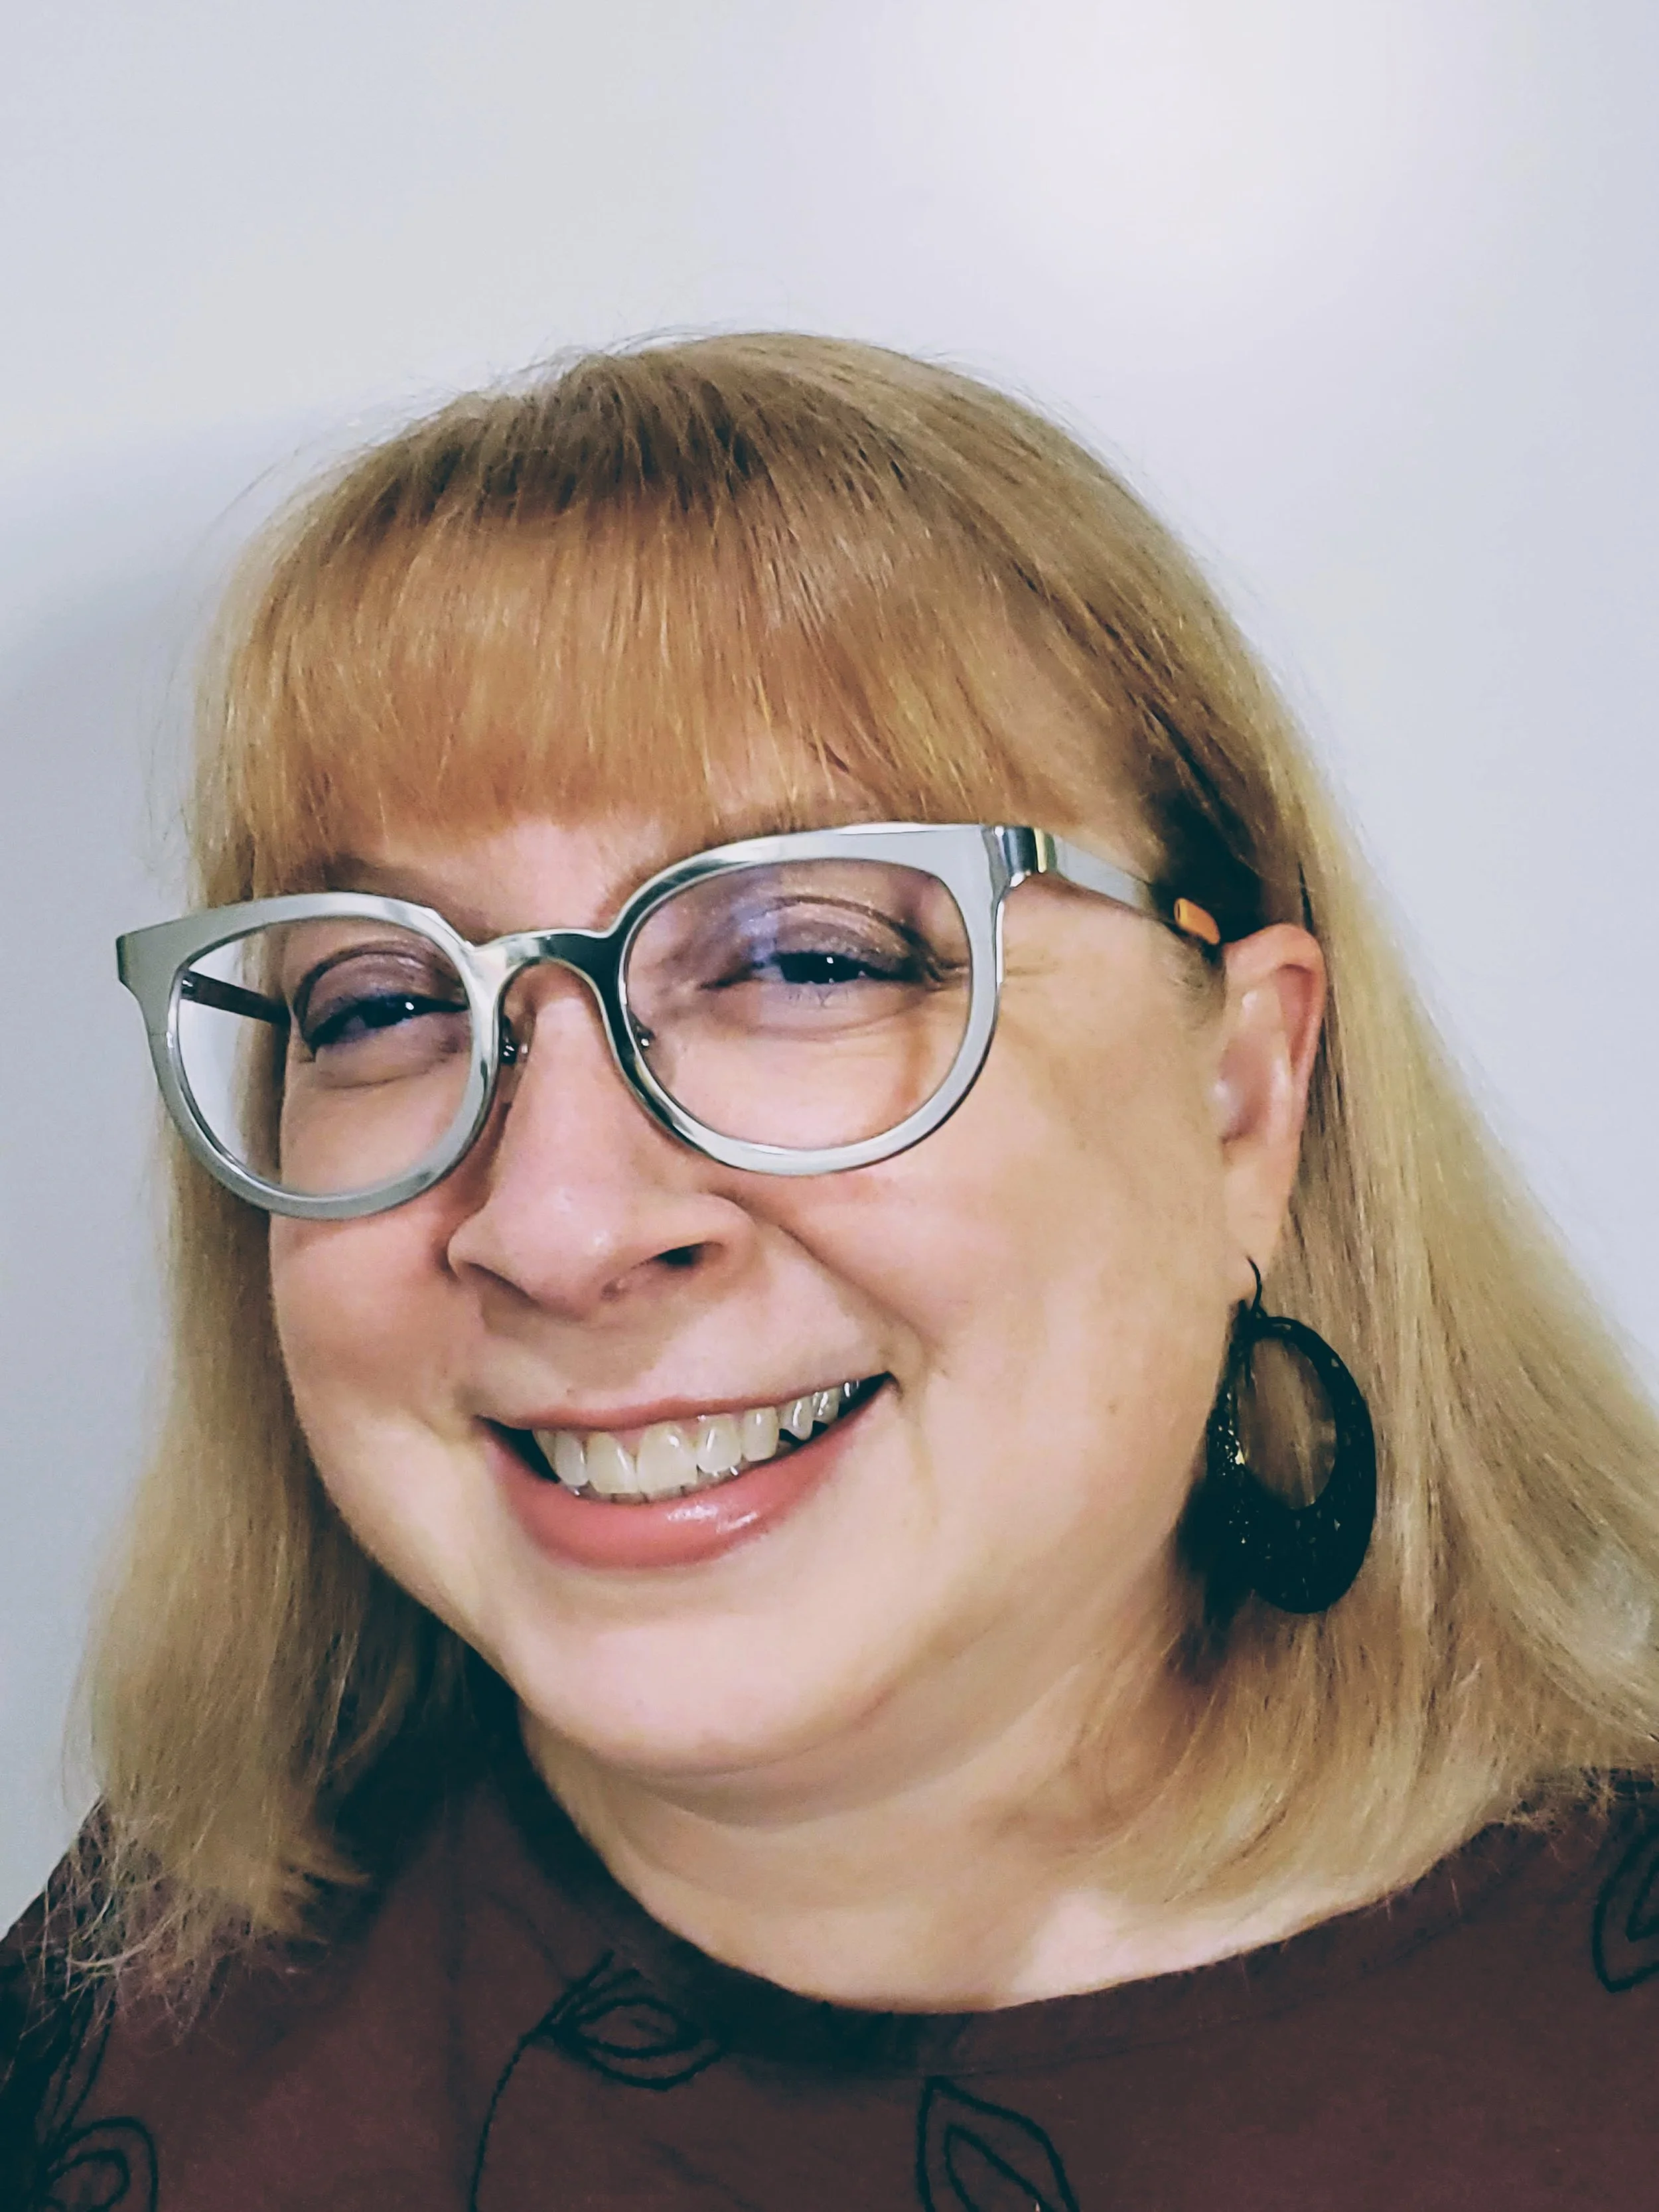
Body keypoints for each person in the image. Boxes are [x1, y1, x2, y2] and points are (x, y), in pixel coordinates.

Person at [3, 334, 1657, 2211]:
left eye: (803, 959)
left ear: (1239, 1099)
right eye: (383, 1000)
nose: (553, 1224)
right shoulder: (131, 2014)